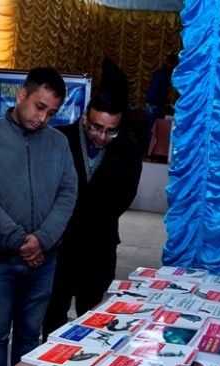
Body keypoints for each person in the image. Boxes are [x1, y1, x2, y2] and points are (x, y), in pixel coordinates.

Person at [0, 67, 77, 366]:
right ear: (21, 95)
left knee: (30, 335)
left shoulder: (58, 143)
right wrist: (20, 241)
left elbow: (67, 193)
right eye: (39, 106)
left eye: (52, 112)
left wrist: (41, 240)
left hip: (44, 262)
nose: (43, 118)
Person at [42, 92, 142, 338]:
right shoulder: (57, 139)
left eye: (111, 131)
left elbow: (122, 199)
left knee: (92, 322)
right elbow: (45, 192)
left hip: (99, 248)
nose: (102, 137)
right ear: (85, 116)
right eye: (97, 128)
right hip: (58, 248)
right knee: (53, 315)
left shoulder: (128, 151)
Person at [144, 53, 178, 154]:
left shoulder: (163, 73)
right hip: (153, 105)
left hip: (154, 104)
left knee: (153, 129)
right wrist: (163, 103)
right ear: (172, 63)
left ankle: (150, 152)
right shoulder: (162, 74)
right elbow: (153, 92)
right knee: (153, 130)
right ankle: (149, 152)